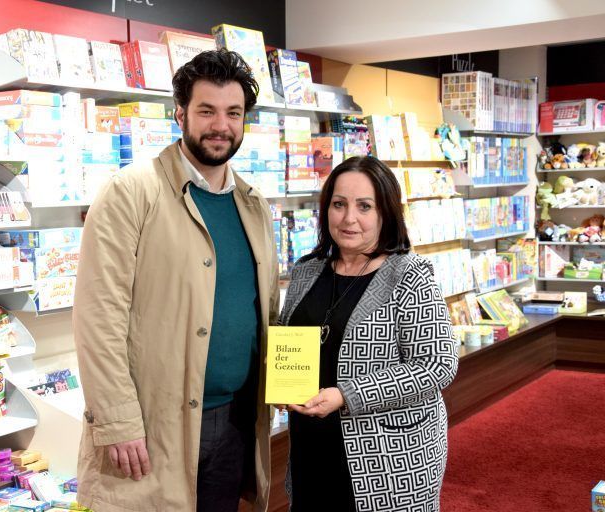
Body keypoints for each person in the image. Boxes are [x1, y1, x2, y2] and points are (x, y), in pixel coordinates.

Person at [73, 49, 279, 512]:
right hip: (155, 427)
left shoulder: (253, 205)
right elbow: (98, 316)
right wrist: (117, 420)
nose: (220, 125)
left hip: (235, 421)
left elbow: (265, 310)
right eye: (207, 111)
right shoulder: (131, 192)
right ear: (180, 114)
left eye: (233, 113)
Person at [279, 156, 459, 511]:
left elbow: (438, 365)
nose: (349, 218)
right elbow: (289, 341)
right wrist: (279, 382)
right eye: (339, 204)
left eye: (364, 206)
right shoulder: (306, 271)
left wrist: (346, 395)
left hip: (387, 457)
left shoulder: (409, 276)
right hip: (312, 447)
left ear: (385, 213)